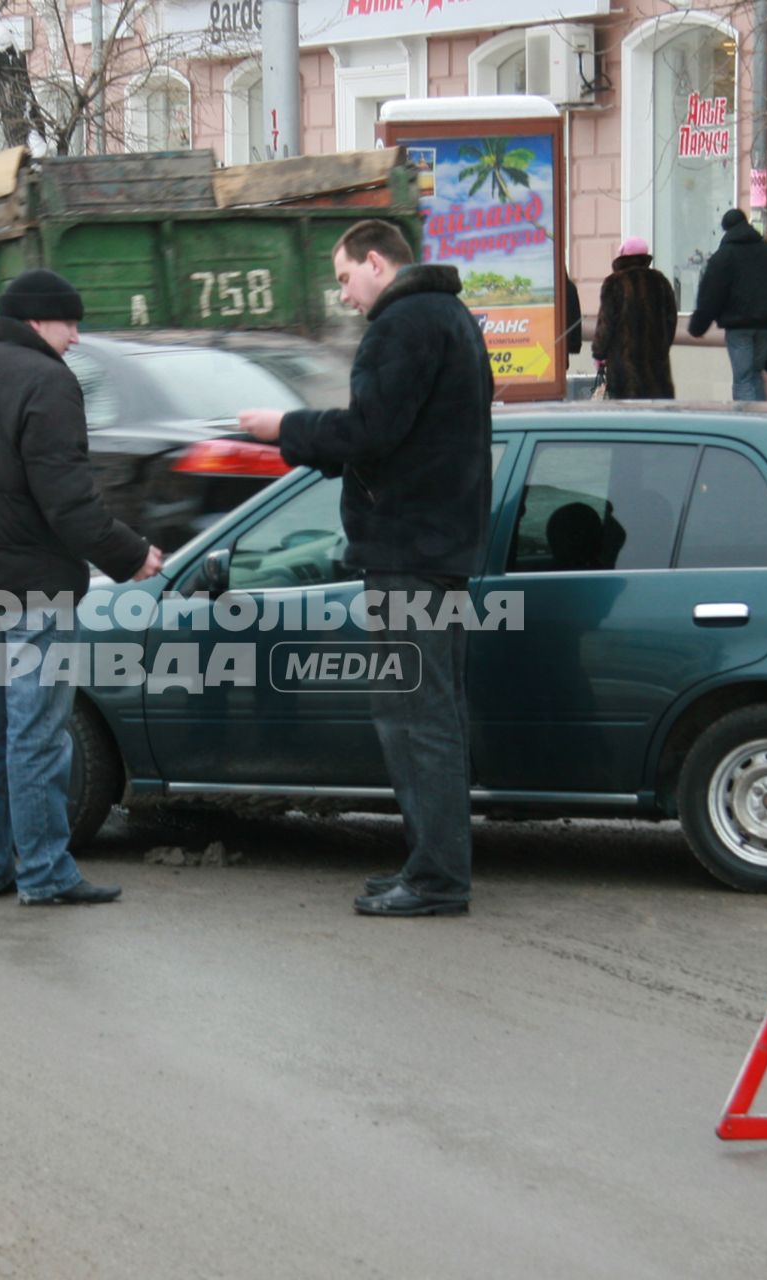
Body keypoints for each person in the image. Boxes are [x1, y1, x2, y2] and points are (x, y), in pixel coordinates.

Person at [238, 219, 493, 919]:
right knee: (420, 713)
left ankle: (438, 879)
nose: (344, 294)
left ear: (376, 263)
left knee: (417, 718)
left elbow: (370, 432)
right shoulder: (451, 318)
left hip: (411, 554)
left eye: (345, 276)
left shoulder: (402, 325)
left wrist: (284, 430)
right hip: (437, 549)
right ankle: (427, 866)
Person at [0, 268, 163, 905]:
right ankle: (45, 872)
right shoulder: (49, 381)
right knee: (38, 731)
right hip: (37, 584)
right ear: (41, 320)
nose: (77, 335)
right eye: (71, 322)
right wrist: (130, 555)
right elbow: (69, 501)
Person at [687, 209, 767, 401]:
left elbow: (711, 295)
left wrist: (698, 327)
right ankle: (762, 419)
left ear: (726, 229)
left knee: (743, 379)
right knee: (755, 374)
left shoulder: (723, 257)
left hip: (738, 327)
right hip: (766, 326)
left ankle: (748, 424)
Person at [591, 236, 678, 400]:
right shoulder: (660, 281)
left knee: (626, 416)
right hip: (656, 366)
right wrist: (661, 345)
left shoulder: (614, 282)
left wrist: (598, 353)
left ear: (623, 255)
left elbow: (606, 323)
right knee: (656, 415)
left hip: (624, 368)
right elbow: (671, 320)